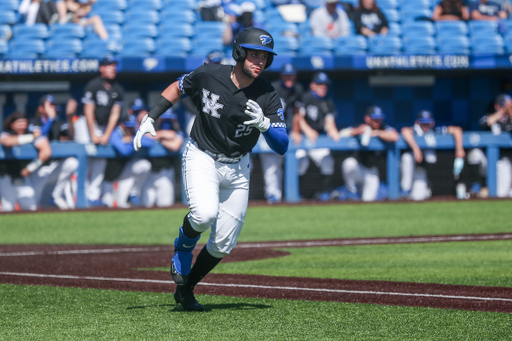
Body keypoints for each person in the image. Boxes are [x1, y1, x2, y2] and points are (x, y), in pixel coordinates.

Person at [133, 27, 288, 311]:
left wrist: (266, 125)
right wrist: (151, 116)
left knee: (222, 244)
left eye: (265, 57)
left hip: (238, 166)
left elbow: (282, 145)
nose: (260, 62)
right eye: (254, 54)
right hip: (202, 155)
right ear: (239, 53)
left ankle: (187, 288)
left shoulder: (267, 94)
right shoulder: (210, 74)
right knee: (204, 214)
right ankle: (182, 247)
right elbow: (179, 87)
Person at [77, 56, 124, 207]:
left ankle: (92, 196)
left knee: (101, 158)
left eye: (114, 66)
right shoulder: (93, 85)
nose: (113, 68)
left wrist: (106, 135)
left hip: (104, 127)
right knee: (84, 159)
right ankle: (77, 196)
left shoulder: (117, 89)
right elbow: (88, 110)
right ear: (101, 68)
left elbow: (115, 114)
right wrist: (93, 134)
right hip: (87, 125)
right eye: (109, 65)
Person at [259, 63, 303, 203]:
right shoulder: (273, 88)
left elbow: (297, 112)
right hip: (269, 129)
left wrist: (296, 131)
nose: (289, 78)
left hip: (286, 130)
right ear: (282, 76)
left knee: (300, 159)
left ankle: (294, 193)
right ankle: (273, 195)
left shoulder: (298, 89)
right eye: (287, 75)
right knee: (271, 164)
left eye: (292, 75)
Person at [292, 72, 339, 201]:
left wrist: (333, 130)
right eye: (319, 84)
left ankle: (323, 193)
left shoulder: (327, 102)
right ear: (313, 85)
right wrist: (306, 130)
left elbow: (329, 121)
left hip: (316, 140)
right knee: (301, 161)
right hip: (301, 138)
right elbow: (297, 117)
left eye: (325, 85)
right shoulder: (305, 97)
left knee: (327, 160)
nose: (322, 87)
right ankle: (295, 194)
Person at [400, 110, 466, 201]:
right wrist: (416, 149)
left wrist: (459, 148)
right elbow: (405, 130)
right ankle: (404, 190)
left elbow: (457, 130)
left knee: (418, 197)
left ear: (432, 123)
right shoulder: (414, 130)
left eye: (427, 123)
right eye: (423, 123)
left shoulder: (435, 131)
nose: (425, 126)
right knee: (407, 157)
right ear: (417, 122)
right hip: (411, 169)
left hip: (422, 171)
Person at [27, 95, 79, 209]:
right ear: (41, 108)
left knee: (72, 162)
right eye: (50, 105)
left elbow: (71, 135)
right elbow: (39, 136)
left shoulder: (59, 123)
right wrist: (49, 119)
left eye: (54, 105)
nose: (53, 108)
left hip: (55, 167)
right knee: (33, 206)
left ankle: (57, 194)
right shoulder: (33, 122)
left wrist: (70, 117)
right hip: (38, 169)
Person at [131, 101, 184, 208]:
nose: (166, 121)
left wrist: (161, 140)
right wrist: (163, 135)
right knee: (146, 205)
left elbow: (175, 146)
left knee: (165, 206)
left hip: (166, 174)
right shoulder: (154, 129)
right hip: (150, 174)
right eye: (164, 119)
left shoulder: (177, 131)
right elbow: (140, 135)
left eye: (169, 119)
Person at [341, 106, 399, 202]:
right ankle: (351, 190)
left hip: (372, 172)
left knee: (368, 201)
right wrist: (356, 131)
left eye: (379, 118)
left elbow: (394, 136)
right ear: (367, 118)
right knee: (349, 163)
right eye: (375, 118)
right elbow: (341, 134)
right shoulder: (361, 127)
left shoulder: (383, 128)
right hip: (359, 168)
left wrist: (377, 133)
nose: (378, 121)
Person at [100, 107, 152, 209]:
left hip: (123, 175)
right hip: (108, 178)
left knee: (121, 206)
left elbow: (150, 142)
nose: (130, 129)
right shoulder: (115, 133)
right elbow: (124, 151)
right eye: (128, 126)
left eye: (132, 126)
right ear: (122, 125)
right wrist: (134, 141)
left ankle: (133, 194)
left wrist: (132, 139)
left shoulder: (132, 133)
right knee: (107, 206)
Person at [0, 112, 50, 211]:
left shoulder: (31, 132)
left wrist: (30, 168)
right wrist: (31, 137)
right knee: (7, 208)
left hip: (23, 177)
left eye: (25, 123)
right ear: (12, 124)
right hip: (6, 176)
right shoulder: (6, 132)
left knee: (31, 207)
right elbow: (7, 141)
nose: (23, 125)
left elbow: (46, 151)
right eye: (19, 123)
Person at [478, 94, 512, 197]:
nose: (506, 106)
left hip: (509, 157)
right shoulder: (490, 115)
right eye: (503, 104)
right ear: (497, 106)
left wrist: (510, 111)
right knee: (502, 193)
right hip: (495, 159)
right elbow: (484, 123)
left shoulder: (509, 118)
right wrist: (501, 111)